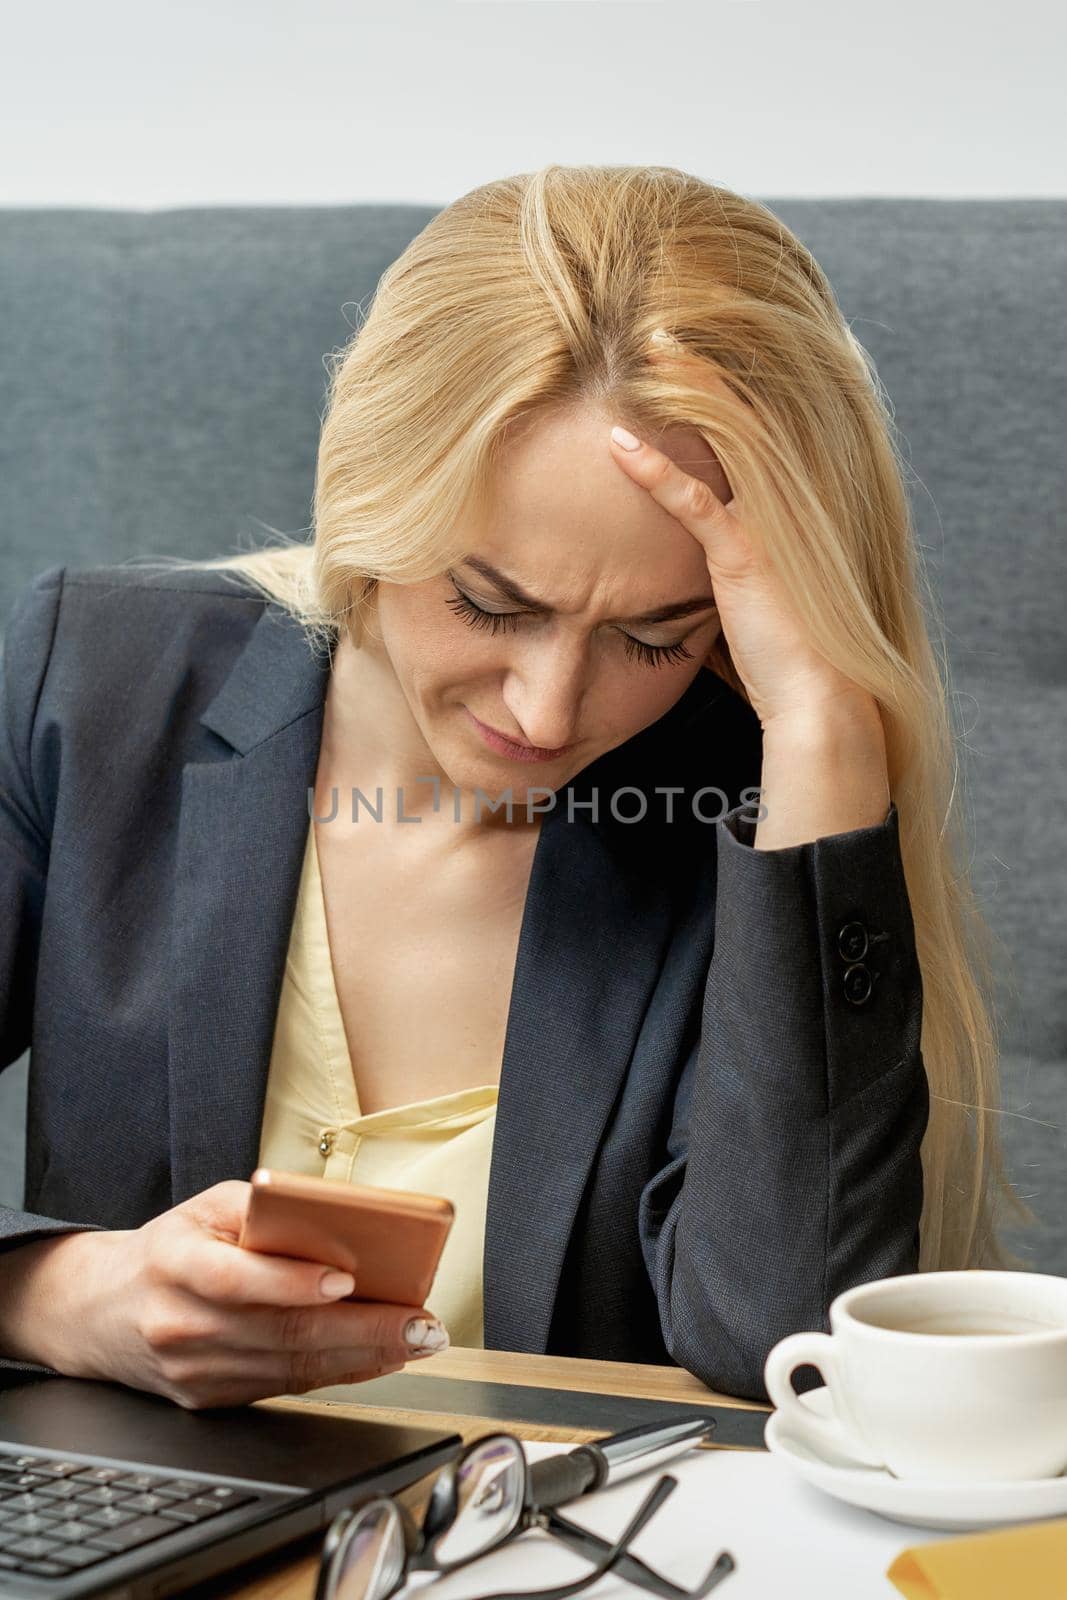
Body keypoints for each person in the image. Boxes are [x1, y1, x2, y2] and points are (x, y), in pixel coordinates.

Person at [0, 164, 1030, 1412]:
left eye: (656, 635)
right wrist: (56, 1296)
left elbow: (781, 1343)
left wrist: (820, 733)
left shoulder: (744, 812)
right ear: (370, 496)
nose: (544, 714)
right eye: (489, 602)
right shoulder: (95, 688)